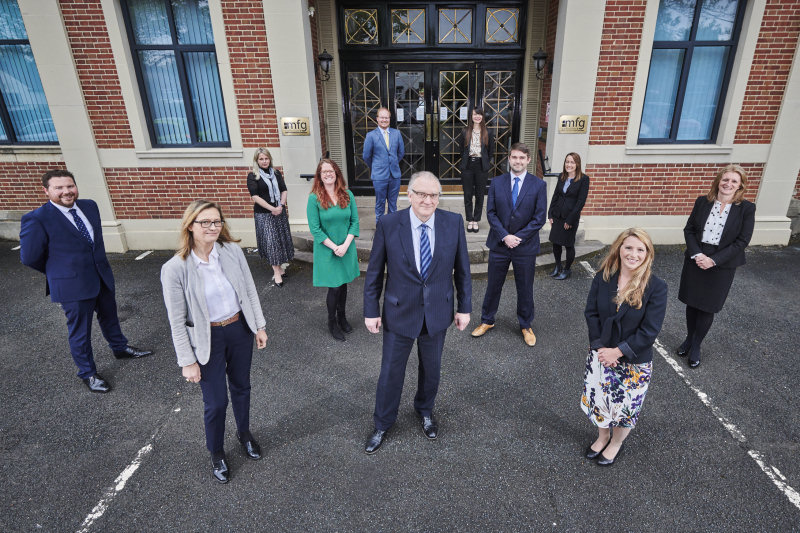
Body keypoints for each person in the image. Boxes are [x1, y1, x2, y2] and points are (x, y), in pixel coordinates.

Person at [161, 200, 269, 484]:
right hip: (207, 339)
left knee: (242, 387)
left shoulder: (231, 251)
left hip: (238, 330)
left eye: (216, 221)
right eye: (204, 222)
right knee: (217, 402)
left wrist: (259, 325)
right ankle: (217, 451)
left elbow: (248, 290)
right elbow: (176, 320)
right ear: (190, 226)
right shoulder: (175, 268)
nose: (212, 227)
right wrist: (187, 361)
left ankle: (244, 434)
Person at [363, 171, 471, 454]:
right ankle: (382, 423)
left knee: (432, 370)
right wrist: (371, 310)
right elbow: (375, 272)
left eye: (433, 195)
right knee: (390, 372)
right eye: (421, 194)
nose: (427, 200)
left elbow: (463, 270)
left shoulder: (453, 223)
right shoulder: (389, 224)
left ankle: (424, 411)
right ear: (408, 195)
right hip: (399, 312)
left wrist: (465, 308)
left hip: (437, 311)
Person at [19, 169, 152, 393]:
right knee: (80, 332)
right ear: (46, 191)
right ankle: (88, 373)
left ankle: (120, 348)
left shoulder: (90, 206)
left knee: (110, 317)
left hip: (101, 276)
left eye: (69, 186)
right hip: (71, 285)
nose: (66, 191)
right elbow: (29, 257)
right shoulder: (37, 218)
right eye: (58, 188)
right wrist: (57, 272)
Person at [581, 228, 667, 466]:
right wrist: (600, 348)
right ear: (619, 248)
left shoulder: (656, 287)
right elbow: (592, 313)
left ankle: (615, 443)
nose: (633, 254)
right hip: (600, 354)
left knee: (624, 410)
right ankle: (603, 437)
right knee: (600, 401)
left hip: (633, 362)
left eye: (641, 249)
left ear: (648, 254)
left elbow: (650, 331)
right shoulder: (604, 277)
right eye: (628, 247)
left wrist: (617, 352)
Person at [677, 164, 755, 369]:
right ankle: (688, 338)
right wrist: (697, 254)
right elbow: (690, 229)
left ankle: (696, 346)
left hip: (722, 264)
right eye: (725, 179)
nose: (728, 184)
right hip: (697, 257)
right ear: (718, 181)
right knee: (692, 303)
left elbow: (742, 241)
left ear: (740, 186)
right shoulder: (703, 202)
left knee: (707, 307)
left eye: (734, 181)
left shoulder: (746, 209)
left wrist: (714, 260)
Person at [471, 142, 547, 347]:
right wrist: (505, 236)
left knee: (525, 287)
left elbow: (539, 218)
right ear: (509, 159)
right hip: (500, 244)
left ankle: (525, 325)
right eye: (514, 157)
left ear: (528, 160)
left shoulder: (538, 185)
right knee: (493, 285)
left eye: (522, 158)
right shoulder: (497, 182)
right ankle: (487, 320)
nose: (518, 161)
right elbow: (491, 213)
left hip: (525, 246)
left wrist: (518, 237)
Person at [307, 159, 360, 341]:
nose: (328, 174)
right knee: (335, 287)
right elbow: (315, 229)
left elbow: (354, 222)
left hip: (346, 247)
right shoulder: (314, 198)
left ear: (336, 173)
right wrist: (335, 247)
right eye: (324, 172)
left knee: (344, 284)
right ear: (320, 177)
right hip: (327, 250)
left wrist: (345, 245)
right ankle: (332, 322)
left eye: (331, 171)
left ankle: (342, 317)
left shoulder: (347, 194)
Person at [247, 147, 294, 287]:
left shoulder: (276, 173)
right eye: (261, 159)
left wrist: (280, 205)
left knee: (280, 241)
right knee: (272, 242)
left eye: (266, 158)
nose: (264, 161)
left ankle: (279, 267)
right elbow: (255, 196)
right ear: (257, 160)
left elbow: (284, 189)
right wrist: (272, 208)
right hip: (264, 215)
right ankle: (277, 273)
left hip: (279, 212)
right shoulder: (253, 176)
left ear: (270, 159)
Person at [548, 152, 590, 280]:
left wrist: (570, 220)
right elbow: (555, 196)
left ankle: (567, 269)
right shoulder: (562, 176)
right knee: (556, 243)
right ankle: (558, 266)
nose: (569, 164)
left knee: (568, 244)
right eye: (567, 161)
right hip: (557, 215)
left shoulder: (583, 179)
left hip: (570, 218)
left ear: (577, 164)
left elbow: (580, 202)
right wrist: (550, 213)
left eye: (572, 162)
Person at [362, 107, 405, 223]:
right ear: (377, 119)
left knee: (393, 204)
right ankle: (380, 228)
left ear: (389, 119)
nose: (384, 120)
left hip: (394, 175)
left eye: (387, 117)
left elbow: (401, 153)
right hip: (379, 176)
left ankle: (392, 227)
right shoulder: (371, 136)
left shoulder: (397, 133)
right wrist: (376, 166)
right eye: (382, 117)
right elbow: (366, 156)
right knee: (380, 203)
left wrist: (393, 163)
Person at [458, 107, 494, 233]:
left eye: (479, 114)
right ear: (471, 116)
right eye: (475, 114)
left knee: (479, 194)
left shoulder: (488, 132)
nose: (477, 117)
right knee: (468, 194)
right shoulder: (465, 131)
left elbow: (490, 152)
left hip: (481, 166)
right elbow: (461, 150)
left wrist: (485, 162)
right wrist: (464, 162)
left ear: (483, 116)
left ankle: (476, 220)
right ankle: (470, 219)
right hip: (468, 166)